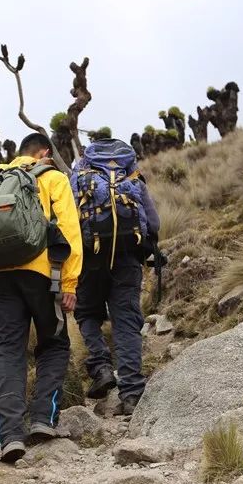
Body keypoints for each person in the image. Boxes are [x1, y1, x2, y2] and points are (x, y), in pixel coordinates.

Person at [0, 133, 82, 463]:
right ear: (43, 153)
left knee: (8, 352)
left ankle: (9, 436)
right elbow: (69, 229)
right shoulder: (52, 177)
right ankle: (43, 419)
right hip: (43, 273)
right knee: (54, 344)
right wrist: (70, 282)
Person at [73, 144, 160, 415]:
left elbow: (70, 221)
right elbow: (154, 224)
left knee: (87, 313)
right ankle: (132, 393)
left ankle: (101, 368)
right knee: (126, 322)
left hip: (90, 258)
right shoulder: (132, 177)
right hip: (128, 259)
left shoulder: (79, 177)